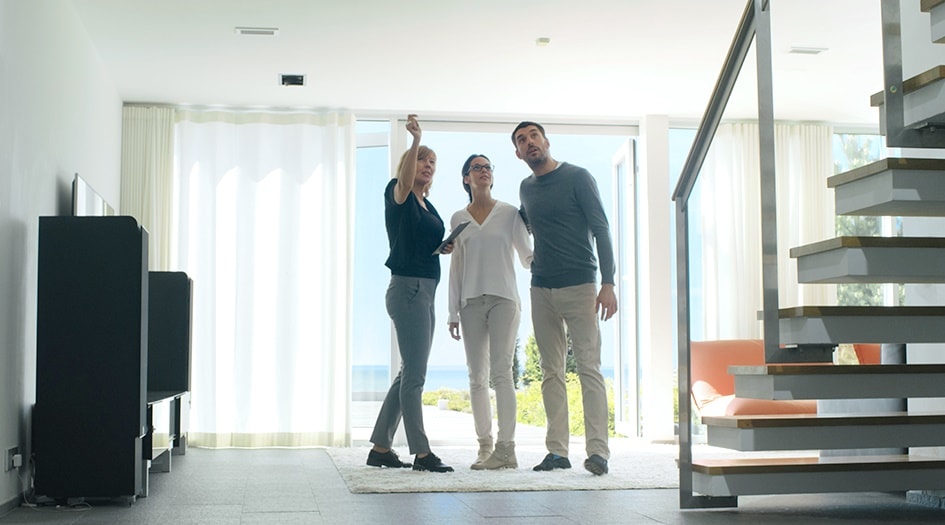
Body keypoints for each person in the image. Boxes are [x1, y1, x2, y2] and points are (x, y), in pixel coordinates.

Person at [512, 120, 617, 476]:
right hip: (540, 287)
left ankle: (598, 453)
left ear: (546, 141)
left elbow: (601, 228)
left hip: (580, 285)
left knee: (588, 367)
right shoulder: (526, 188)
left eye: (534, 136)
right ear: (518, 153)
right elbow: (525, 225)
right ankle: (557, 451)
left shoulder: (578, 177)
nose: (529, 143)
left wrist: (609, 282)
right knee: (550, 372)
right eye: (522, 141)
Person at [366, 114, 453, 473]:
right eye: (422, 159)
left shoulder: (428, 206)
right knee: (415, 375)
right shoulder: (397, 191)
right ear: (408, 164)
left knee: (408, 373)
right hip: (408, 289)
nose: (428, 165)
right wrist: (416, 140)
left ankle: (381, 448)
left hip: (426, 290)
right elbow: (403, 184)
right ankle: (422, 453)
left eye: (432, 162)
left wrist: (444, 246)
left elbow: (423, 241)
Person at [447, 154, 533, 470]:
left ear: (492, 177)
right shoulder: (458, 218)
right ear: (466, 179)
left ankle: (506, 449)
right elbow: (456, 266)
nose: (483, 172)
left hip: (504, 300)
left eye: (487, 168)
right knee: (476, 377)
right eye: (476, 168)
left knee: (501, 373)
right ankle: (484, 447)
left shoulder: (510, 213)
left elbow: (528, 256)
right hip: (470, 302)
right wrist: (452, 312)